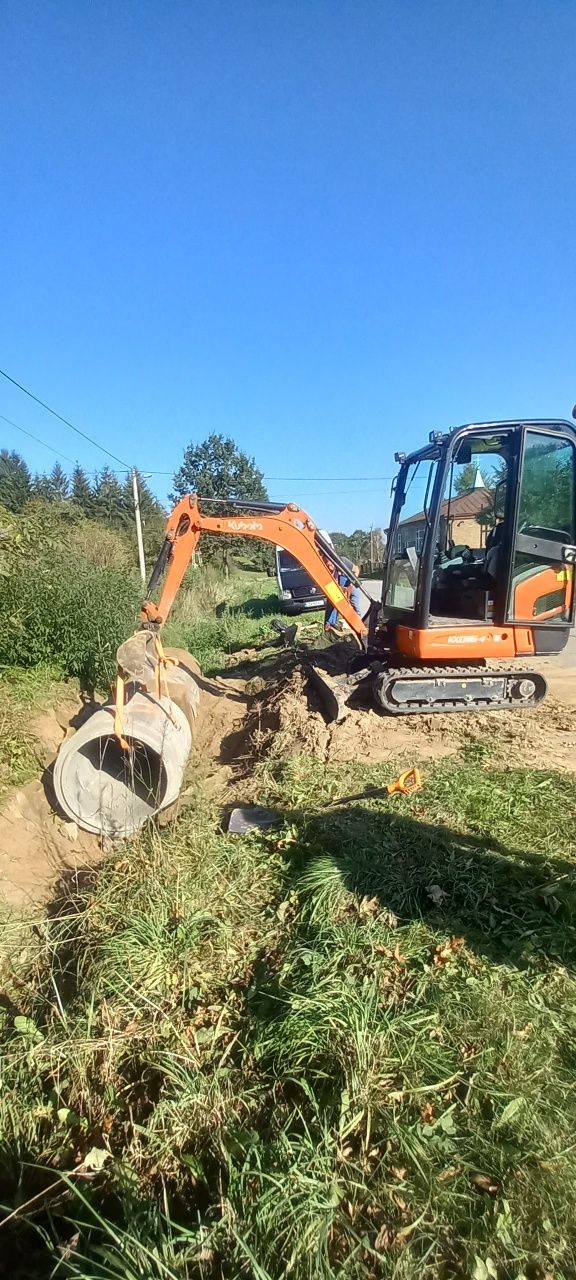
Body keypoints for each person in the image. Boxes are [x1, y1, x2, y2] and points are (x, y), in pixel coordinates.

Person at [319, 531, 362, 633]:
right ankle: (329, 626)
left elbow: (356, 569)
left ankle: (358, 627)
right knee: (332, 604)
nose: (329, 566)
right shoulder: (327, 570)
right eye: (327, 565)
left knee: (355, 607)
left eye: (330, 565)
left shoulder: (342, 561)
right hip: (339, 588)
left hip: (351, 585)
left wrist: (351, 584)